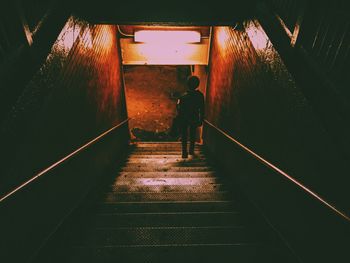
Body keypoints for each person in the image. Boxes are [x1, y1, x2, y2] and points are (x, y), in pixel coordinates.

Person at [177, 75, 205, 158]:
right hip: (194, 117)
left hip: (184, 118)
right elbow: (202, 108)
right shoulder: (200, 95)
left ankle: (184, 152)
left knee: (184, 134)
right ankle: (191, 150)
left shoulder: (183, 96)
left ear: (188, 84)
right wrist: (201, 119)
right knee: (193, 134)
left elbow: (179, 109)